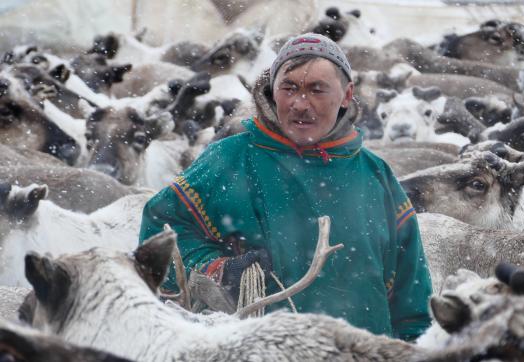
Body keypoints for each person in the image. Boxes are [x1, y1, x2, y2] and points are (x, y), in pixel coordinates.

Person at [139, 33, 432, 341]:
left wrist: (413, 347)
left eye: (317, 90)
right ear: (272, 91)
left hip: (363, 351)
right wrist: (220, 271)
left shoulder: (375, 174)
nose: (300, 104)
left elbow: (411, 293)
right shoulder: (231, 159)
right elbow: (161, 228)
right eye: (289, 88)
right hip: (258, 349)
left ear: (346, 95)